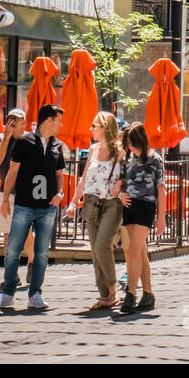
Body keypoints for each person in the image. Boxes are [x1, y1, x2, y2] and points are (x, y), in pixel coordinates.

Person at [0, 104, 66, 310]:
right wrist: (6, 199)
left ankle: (35, 293)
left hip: (47, 206)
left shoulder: (56, 146)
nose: (61, 124)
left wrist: (60, 193)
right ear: (49, 120)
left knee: (42, 252)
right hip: (24, 203)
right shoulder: (24, 142)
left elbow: (59, 175)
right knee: (13, 249)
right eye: (59, 120)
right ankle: (8, 292)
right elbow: (12, 172)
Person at [68, 111, 125, 310]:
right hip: (91, 203)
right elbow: (83, 179)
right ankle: (105, 295)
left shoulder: (120, 151)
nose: (91, 129)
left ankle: (112, 289)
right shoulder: (92, 150)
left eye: (95, 126)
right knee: (94, 250)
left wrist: (121, 182)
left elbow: (129, 175)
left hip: (111, 203)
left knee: (102, 246)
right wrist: (73, 203)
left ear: (105, 128)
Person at [114, 121, 167, 315]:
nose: (131, 147)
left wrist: (161, 218)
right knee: (134, 252)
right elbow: (118, 185)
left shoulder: (155, 159)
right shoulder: (126, 159)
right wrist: (120, 195)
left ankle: (131, 293)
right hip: (128, 207)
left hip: (146, 206)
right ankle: (148, 293)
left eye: (134, 143)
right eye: (128, 143)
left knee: (134, 249)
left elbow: (161, 190)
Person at [0, 108, 34, 269]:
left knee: (26, 231)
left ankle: (32, 261)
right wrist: (7, 138)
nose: (14, 123)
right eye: (11, 120)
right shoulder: (1, 138)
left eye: (17, 120)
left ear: (24, 123)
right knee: (8, 233)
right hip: (6, 193)